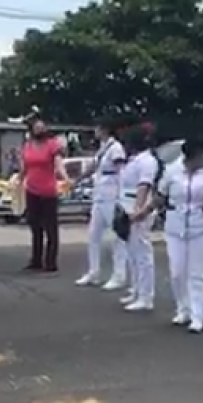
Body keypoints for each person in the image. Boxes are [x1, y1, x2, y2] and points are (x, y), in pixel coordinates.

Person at [158, 135, 203, 332]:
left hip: (200, 228)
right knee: (177, 272)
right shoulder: (173, 172)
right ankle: (182, 309)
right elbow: (160, 196)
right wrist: (142, 212)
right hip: (175, 226)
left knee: (197, 274)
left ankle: (197, 316)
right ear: (195, 155)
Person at [75, 117, 128, 290]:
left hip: (112, 195)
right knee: (93, 235)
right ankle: (93, 272)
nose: (95, 131)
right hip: (99, 194)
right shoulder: (102, 148)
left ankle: (119, 275)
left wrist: (122, 197)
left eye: (97, 127)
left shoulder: (116, 148)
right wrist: (78, 180)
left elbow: (122, 173)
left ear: (105, 129)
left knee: (116, 237)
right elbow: (93, 167)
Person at [118, 124, 162, 312]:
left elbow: (143, 187)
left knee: (142, 254)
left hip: (137, 208)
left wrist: (138, 211)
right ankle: (136, 289)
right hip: (126, 204)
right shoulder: (135, 160)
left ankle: (146, 296)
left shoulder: (147, 161)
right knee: (133, 253)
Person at [19, 115, 70, 272]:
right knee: (35, 226)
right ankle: (36, 260)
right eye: (37, 128)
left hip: (48, 191)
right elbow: (24, 168)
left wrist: (66, 178)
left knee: (50, 228)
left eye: (42, 128)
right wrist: (16, 181)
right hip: (31, 190)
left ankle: (50, 262)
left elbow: (58, 164)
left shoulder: (52, 145)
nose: (39, 130)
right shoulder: (27, 146)